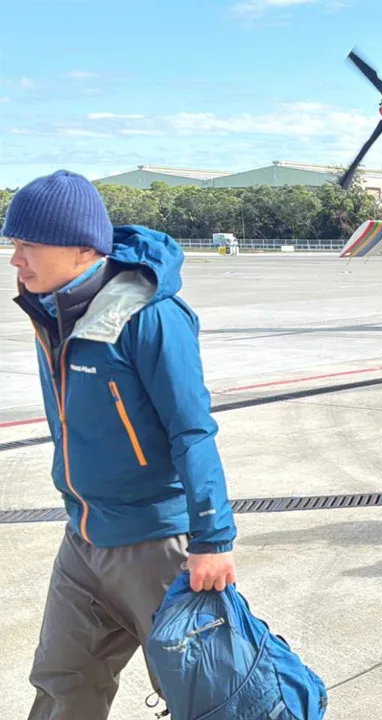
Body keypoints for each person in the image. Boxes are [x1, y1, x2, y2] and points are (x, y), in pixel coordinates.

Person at [6, 170, 238, 719]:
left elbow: (192, 429)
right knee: (64, 682)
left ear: (82, 246)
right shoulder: (53, 311)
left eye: (28, 246)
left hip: (158, 544)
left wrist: (214, 538)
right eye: (13, 245)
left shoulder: (150, 315)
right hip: (84, 536)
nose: (15, 260)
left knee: (203, 698)